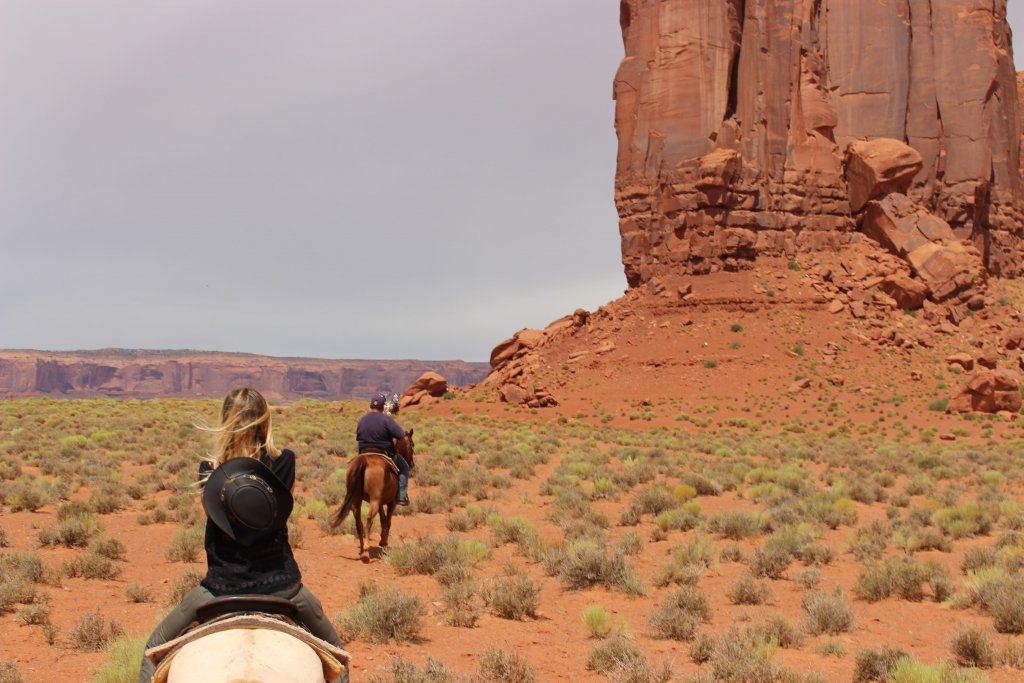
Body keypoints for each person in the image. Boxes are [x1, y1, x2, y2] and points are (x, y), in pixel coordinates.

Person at [137, 387, 347, 683]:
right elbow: (282, 509)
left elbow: (213, 516)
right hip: (283, 587)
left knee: (153, 649)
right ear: (265, 421)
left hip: (221, 588)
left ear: (226, 420)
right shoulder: (284, 462)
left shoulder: (209, 471)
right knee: (338, 656)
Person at [356, 392, 410, 505]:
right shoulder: (386, 419)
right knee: (404, 468)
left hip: (363, 453)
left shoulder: (362, 419)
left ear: (371, 406)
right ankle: (401, 496)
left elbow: (358, 438)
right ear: (382, 407)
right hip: (384, 453)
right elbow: (401, 435)